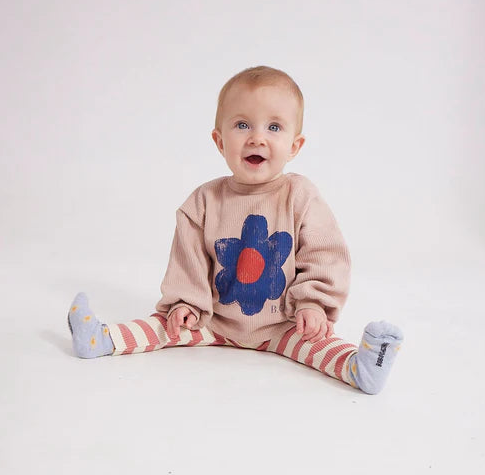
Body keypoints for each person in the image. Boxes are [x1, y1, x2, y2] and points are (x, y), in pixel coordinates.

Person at [68, 66, 403, 394]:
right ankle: (102, 339)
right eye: (242, 125)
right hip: (214, 323)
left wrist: (313, 305)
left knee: (317, 343)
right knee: (165, 326)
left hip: (283, 326)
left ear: (294, 146)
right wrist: (187, 304)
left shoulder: (300, 196)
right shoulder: (203, 201)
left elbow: (323, 254)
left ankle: (360, 368)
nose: (257, 137)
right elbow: (189, 260)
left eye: (274, 127)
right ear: (219, 140)